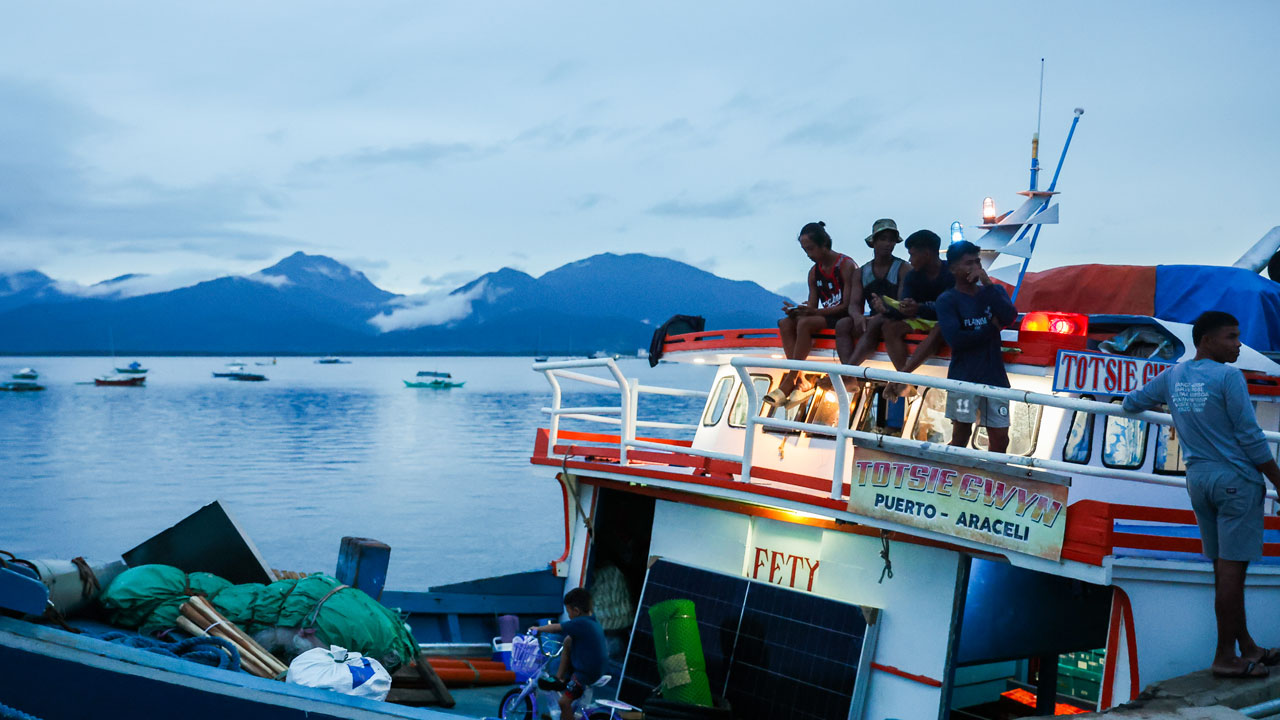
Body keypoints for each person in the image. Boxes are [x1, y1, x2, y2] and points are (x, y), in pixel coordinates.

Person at [1122, 311, 1280, 678]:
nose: (1238, 344)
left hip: (1199, 481)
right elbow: (1250, 437)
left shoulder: (1173, 375)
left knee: (1222, 569)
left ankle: (1247, 646)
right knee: (1232, 573)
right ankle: (1225, 656)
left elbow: (1132, 402)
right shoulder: (1229, 376)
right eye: (1231, 336)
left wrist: (1175, 408)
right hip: (1235, 483)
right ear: (1207, 340)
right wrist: (1277, 479)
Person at [934, 240, 1017, 453]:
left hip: (994, 377)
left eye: (977, 262)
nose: (975, 267)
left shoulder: (993, 291)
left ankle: (996, 480)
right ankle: (955, 476)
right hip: (964, 377)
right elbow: (957, 339)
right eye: (968, 263)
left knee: (1001, 438)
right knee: (961, 434)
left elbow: (1009, 316)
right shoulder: (947, 300)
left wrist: (987, 284)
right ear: (953, 268)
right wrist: (991, 329)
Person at [767, 221, 858, 408]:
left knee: (805, 324)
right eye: (805, 250)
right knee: (785, 323)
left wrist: (812, 312)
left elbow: (848, 305)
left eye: (810, 249)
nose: (809, 255)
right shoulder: (814, 272)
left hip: (844, 316)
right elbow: (813, 303)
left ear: (824, 245)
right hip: (824, 314)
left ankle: (790, 379)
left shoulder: (846, 266)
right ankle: (800, 378)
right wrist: (798, 311)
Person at [842, 229, 953, 373]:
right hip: (921, 318)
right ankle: (902, 380)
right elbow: (903, 307)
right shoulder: (912, 276)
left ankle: (903, 376)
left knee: (940, 327)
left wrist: (917, 308)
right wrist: (886, 310)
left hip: (946, 319)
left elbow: (949, 307)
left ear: (926, 254)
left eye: (912, 255)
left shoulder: (951, 273)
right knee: (889, 327)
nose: (910, 260)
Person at [835, 218, 907, 368]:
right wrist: (857, 316)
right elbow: (854, 304)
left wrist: (885, 310)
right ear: (874, 242)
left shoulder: (903, 268)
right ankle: (851, 377)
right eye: (883, 239)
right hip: (874, 318)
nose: (888, 244)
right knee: (843, 324)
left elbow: (904, 304)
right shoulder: (861, 272)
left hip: (897, 318)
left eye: (892, 240)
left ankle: (848, 372)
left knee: (877, 320)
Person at [530, 588, 609, 716]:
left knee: (564, 703)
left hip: (585, 674)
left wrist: (538, 628)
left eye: (569, 612)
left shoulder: (580, 623)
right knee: (568, 640)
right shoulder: (592, 621)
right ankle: (559, 678)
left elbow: (557, 628)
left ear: (576, 611)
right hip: (597, 669)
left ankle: (560, 680)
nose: (569, 616)